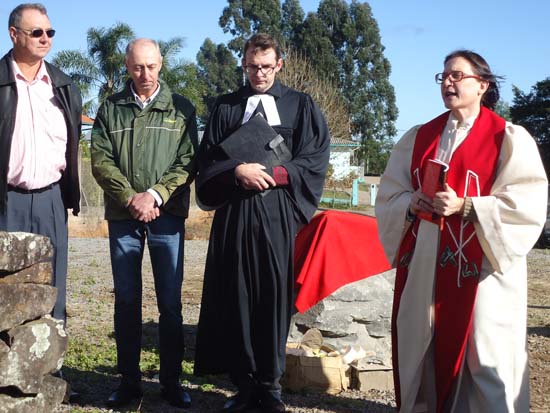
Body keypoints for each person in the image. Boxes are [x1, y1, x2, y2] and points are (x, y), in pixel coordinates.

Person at [375, 50, 548, 413]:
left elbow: (526, 203)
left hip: (483, 265)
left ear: (482, 84)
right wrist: (411, 203)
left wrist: (468, 206)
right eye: (444, 77)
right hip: (427, 261)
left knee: (485, 349)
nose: (448, 83)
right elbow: (391, 191)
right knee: (423, 342)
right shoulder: (421, 137)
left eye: (457, 76)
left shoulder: (509, 138)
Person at [194, 33, 330, 412]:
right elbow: (206, 161)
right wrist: (237, 170)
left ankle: (270, 387)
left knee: (273, 296)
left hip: (277, 214)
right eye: (252, 66)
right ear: (244, 65)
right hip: (235, 213)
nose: (259, 73)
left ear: (279, 65)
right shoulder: (225, 107)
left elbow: (315, 158)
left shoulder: (301, 106)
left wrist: (275, 174)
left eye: (266, 66)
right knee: (235, 294)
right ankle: (243, 384)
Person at [91, 38, 197, 409]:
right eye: (138, 67)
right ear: (127, 65)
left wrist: (154, 195)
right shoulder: (110, 109)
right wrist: (130, 198)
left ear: (161, 64)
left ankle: (171, 382)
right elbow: (101, 160)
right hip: (124, 217)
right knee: (126, 299)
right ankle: (129, 381)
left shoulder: (181, 109)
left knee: (169, 302)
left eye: (151, 67)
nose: (145, 74)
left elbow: (187, 161)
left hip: (166, 216)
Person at [0, 3, 82, 324]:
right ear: (14, 34)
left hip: (52, 201)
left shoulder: (64, 87)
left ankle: (51, 369)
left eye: (50, 32)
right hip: (7, 202)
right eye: (37, 32)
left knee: (53, 286)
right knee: (6, 290)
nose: (45, 38)